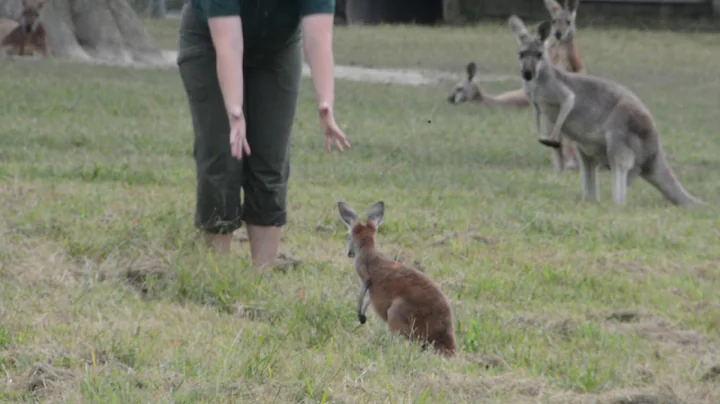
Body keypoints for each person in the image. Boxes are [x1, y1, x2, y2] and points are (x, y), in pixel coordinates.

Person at [176, 0, 350, 270]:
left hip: (277, 49)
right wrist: (234, 111)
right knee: (223, 153)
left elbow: (318, 39)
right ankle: (215, 272)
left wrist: (325, 104)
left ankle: (262, 273)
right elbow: (229, 43)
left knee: (271, 157)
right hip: (210, 43)